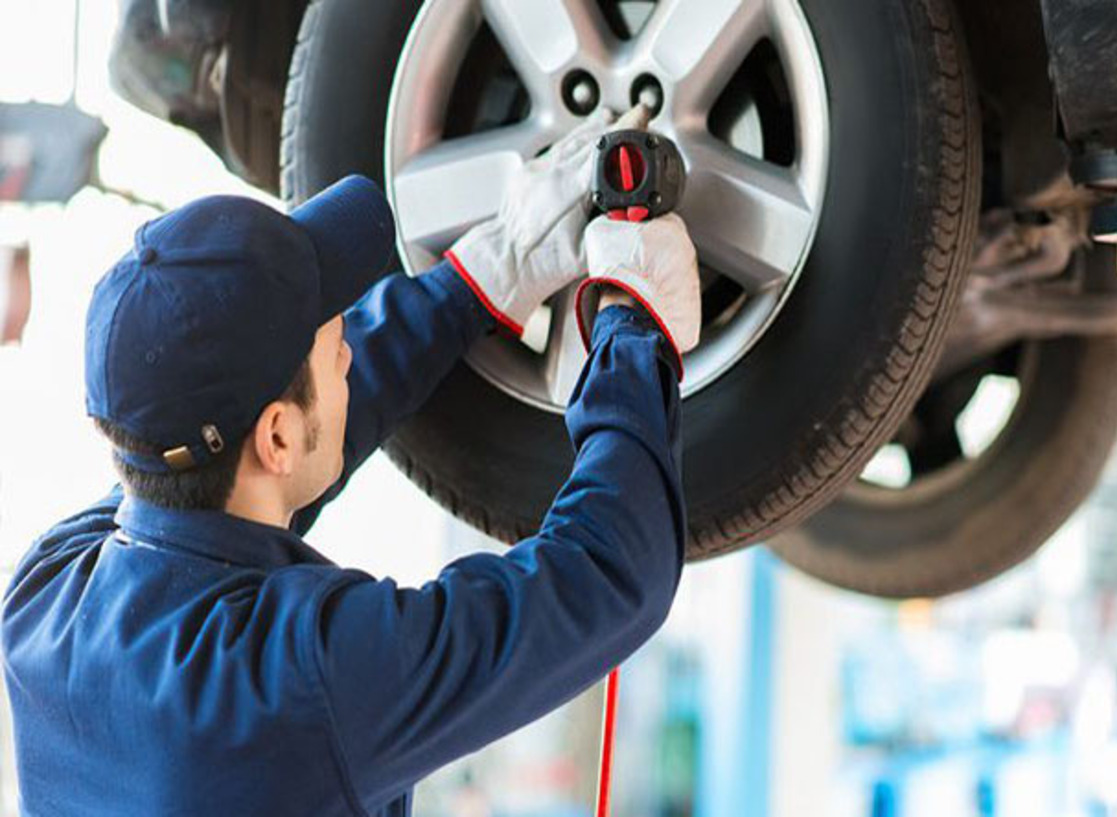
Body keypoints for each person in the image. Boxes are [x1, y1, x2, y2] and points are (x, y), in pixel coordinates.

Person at [0, 106, 701, 816]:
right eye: (332, 340)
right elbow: (610, 575)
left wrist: (478, 281)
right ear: (274, 437)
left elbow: (249, 478)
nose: (348, 350)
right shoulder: (300, 686)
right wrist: (632, 325)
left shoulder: (48, 594)